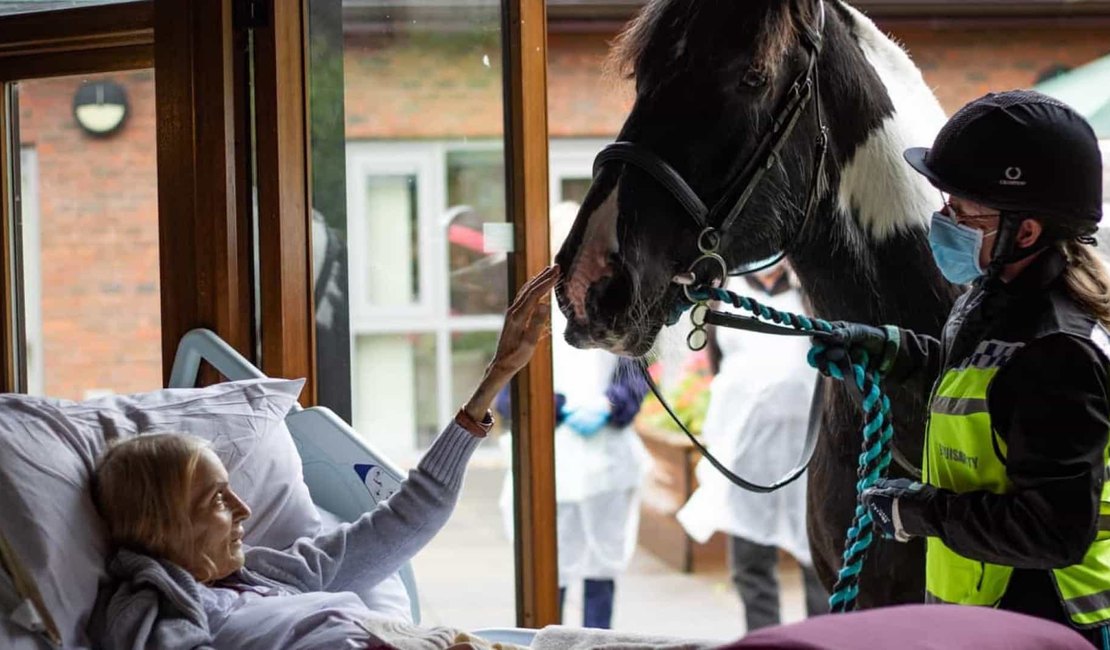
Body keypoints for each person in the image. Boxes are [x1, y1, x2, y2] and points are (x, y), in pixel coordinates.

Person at [88, 266, 559, 650]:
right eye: (216, 499)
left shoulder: (271, 571)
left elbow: (411, 517)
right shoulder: (152, 610)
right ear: (160, 525)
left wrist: (498, 374)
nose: (244, 509)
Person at [816, 90, 1110, 647]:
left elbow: (1054, 531)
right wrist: (888, 350)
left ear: (1025, 232)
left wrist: (920, 511)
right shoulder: (990, 300)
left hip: (1047, 626)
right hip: (992, 621)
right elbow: (981, 387)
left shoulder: (1057, 352)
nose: (943, 221)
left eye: (962, 212)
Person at [496, 201, 650, 630]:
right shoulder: (528, 314)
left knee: (601, 570)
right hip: (552, 465)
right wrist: (560, 407)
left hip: (607, 464)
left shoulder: (620, 309)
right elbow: (510, 394)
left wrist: (608, 405)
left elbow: (636, 380)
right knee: (550, 572)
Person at [677, 263, 828, 632]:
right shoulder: (724, 295)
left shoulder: (809, 291)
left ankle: (823, 638)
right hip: (745, 452)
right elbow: (717, 363)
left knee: (819, 558)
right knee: (750, 560)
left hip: (807, 450)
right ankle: (764, 640)